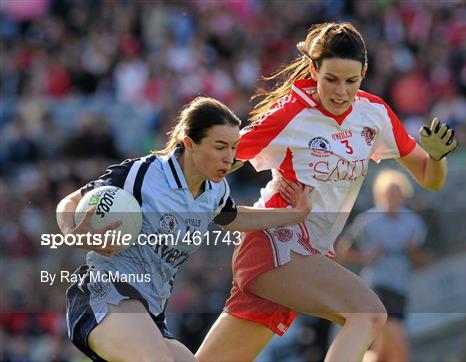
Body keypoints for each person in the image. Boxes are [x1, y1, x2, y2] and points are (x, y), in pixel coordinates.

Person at [196, 22, 458, 362]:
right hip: (276, 243)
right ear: (313, 69)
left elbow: (430, 178)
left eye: (351, 81)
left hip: (306, 254)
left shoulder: (374, 114)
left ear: (363, 73)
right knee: (368, 314)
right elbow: (222, 157)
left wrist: (437, 157)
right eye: (331, 79)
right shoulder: (291, 113)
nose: (340, 91)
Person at [56, 96, 312, 362]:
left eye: (234, 147)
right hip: (104, 292)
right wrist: (71, 231)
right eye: (220, 146)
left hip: (150, 311)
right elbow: (72, 201)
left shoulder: (216, 190)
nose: (229, 157)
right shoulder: (143, 174)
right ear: (189, 143)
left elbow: (232, 218)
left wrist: (295, 215)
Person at [336, 169, 428, 362]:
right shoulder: (368, 221)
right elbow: (342, 253)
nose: (393, 199)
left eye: (397, 193)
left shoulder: (413, 222)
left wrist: (412, 250)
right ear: (380, 195)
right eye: (389, 194)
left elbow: (423, 261)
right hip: (377, 286)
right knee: (397, 341)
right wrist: (367, 256)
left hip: (400, 288)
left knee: (382, 352)